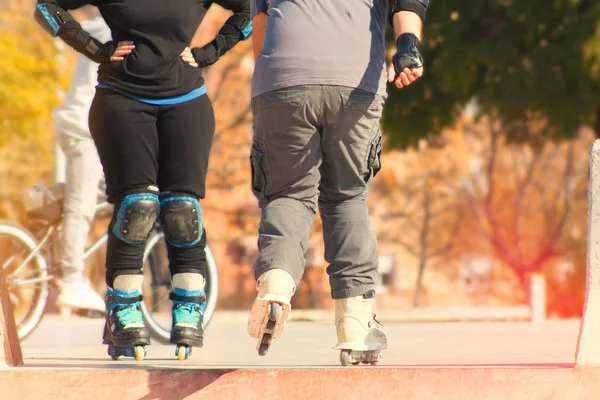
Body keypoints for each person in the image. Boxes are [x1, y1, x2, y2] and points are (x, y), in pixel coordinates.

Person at [35, 0, 251, 360]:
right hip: (121, 101)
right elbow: (46, 8)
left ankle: (188, 306)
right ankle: (123, 309)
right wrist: (96, 50)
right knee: (138, 207)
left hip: (187, 102)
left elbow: (249, 9)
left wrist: (210, 52)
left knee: (183, 209)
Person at [246, 0, 428, 365]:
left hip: (283, 77)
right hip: (355, 80)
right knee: (345, 198)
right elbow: (407, 6)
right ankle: (355, 323)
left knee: (288, 194)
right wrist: (407, 47)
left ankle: (276, 285)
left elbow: (261, 32)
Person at [51, 6, 109, 316]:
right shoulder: (114, 29)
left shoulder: (104, 25)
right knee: (82, 204)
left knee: (98, 192)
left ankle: (50, 207)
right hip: (83, 127)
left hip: (85, 124)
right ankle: (72, 279)